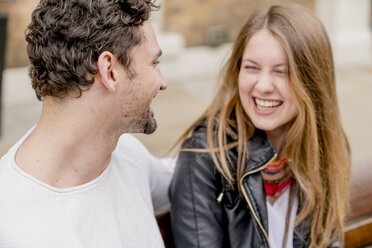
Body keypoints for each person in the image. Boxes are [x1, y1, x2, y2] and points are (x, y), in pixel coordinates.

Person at [170, 2, 351, 248]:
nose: (263, 85)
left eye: (282, 72)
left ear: (312, 81)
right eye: (251, 68)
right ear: (237, 71)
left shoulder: (326, 151)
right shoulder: (204, 159)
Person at [0, 0, 173, 247]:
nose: (162, 82)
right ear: (110, 71)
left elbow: (190, 177)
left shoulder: (128, 155)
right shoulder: (11, 227)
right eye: (154, 63)